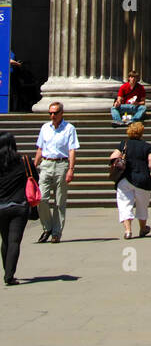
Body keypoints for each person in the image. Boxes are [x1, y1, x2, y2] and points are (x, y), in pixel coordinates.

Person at [34, 101, 78, 243]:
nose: (52, 116)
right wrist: (34, 165)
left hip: (61, 164)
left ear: (61, 113)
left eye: (55, 113)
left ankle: (56, 232)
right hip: (46, 164)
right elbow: (40, 148)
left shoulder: (69, 128)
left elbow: (72, 150)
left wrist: (71, 169)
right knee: (41, 199)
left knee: (59, 201)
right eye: (50, 113)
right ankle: (47, 227)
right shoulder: (45, 128)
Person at [110, 121, 151, 240]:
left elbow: (112, 157)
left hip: (125, 179)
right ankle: (143, 228)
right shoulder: (147, 146)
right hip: (143, 180)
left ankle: (128, 231)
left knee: (124, 204)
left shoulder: (124, 144)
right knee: (142, 205)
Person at [0, 132, 30, 285]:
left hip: (1, 207)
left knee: (5, 240)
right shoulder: (24, 161)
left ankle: (7, 270)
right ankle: (9, 275)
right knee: (14, 241)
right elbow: (34, 179)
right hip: (19, 206)